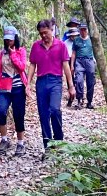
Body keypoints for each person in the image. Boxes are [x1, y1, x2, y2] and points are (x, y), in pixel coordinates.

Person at [26, 19, 75, 153]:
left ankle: (58, 140)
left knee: (54, 109)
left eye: (45, 32)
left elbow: (65, 66)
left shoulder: (61, 45)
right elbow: (32, 64)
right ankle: (48, 146)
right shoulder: (36, 46)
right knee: (43, 115)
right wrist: (28, 84)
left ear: (51, 30)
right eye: (41, 33)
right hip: (41, 82)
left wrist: (71, 86)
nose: (43, 36)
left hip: (55, 82)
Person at [0, 26, 28, 157]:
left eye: (10, 40)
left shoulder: (21, 51)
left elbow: (22, 67)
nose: (8, 42)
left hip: (18, 88)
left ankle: (20, 142)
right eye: (6, 40)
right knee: (0, 111)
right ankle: (4, 139)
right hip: (4, 88)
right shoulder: (1, 53)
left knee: (18, 114)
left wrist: (13, 54)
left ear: (15, 39)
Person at [72, 21, 97, 109]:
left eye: (84, 30)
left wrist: (96, 64)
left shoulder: (92, 40)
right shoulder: (76, 40)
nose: (83, 32)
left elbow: (96, 52)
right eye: (81, 30)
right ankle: (79, 100)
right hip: (79, 61)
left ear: (87, 30)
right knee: (78, 80)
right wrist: (72, 65)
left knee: (90, 82)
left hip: (89, 61)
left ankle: (89, 102)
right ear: (79, 31)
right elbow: (74, 53)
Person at [62, 18, 80, 104]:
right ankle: (71, 96)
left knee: (79, 78)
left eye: (75, 24)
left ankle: (79, 97)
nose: (73, 25)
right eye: (72, 24)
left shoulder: (80, 35)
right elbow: (63, 45)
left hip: (78, 59)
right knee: (70, 77)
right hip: (68, 59)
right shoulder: (66, 36)